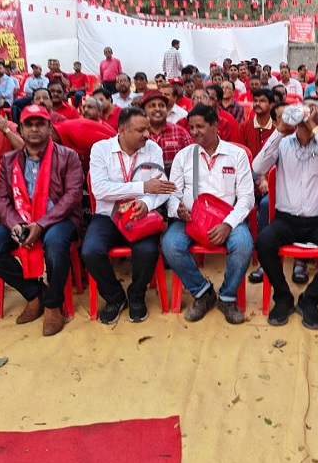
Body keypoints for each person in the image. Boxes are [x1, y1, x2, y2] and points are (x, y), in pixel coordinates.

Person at [0, 104, 83, 336]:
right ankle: (34, 294)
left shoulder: (68, 156)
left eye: (40, 124)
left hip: (58, 220)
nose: (35, 129)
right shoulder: (9, 159)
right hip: (21, 219)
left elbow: (72, 197)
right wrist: (15, 224)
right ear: (20, 130)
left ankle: (53, 304)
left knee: (55, 243)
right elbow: (1, 198)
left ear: (50, 128)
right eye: (29, 125)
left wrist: (42, 223)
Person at [253, 100, 318, 330]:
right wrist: (279, 130)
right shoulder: (283, 143)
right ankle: (283, 297)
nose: (305, 112)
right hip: (286, 220)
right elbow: (257, 166)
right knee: (264, 242)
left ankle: (310, 298)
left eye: (312, 109)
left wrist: (315, 129)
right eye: (303, 107)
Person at [162, 104, 255, 324]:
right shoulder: (184, 156)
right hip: (191, 219)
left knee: (243, 244)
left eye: (200, 126)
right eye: (191, 127)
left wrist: (228, 224)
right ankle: (203, 292)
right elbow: (172, 194)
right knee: (170, 245)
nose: (194, 132)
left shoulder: (236, 155)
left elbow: (246, 199)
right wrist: (178, 210)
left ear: (215, 126)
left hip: (226, 218)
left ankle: (227, 296)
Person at [83, 107, 175, 324]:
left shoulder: (152, 149)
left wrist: (145, 202)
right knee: (90, 251)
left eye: (148, 129)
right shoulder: (101, 149)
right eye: (141, 130)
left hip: (140, 214)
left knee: (147, 251)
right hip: (108, 216)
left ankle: (136, 295)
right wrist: (143, 187)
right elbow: (100, 190)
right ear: (122, 130)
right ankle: (115, 297)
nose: (147, 134)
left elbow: (160, 189)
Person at [53, 98, 116, 173]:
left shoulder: (106, 129)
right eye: (84, 107)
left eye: (90, 107)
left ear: (99, 112)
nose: (85, 110)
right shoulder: (74, 125)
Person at [142, 90, 193, 173]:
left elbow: (193, 158)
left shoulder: (180, 132)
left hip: (176, 183)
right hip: (146, 183)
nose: (158, 109)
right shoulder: (138, 134)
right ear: (144, 110)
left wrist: (176, 165)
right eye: (152, 106)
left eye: (162, 105)